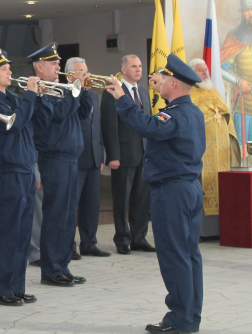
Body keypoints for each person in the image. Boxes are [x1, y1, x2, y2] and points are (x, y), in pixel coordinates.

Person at [106, 54, 205, 334]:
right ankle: (190, 315)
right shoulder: (192, 112)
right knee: (189, 255)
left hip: (172, 191)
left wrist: (123, 99)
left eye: (163, 78)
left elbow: (146, 126)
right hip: (188, 188)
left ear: (173, 83)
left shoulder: (174, 114)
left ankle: (179, 319)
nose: (158, 81)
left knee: (175, 256)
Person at [0, 49, 39, 306]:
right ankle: (0, 289)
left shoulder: (13, 97)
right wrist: (33, 94)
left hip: (24, 168)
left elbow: (32, 123)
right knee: (8, 232)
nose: (10, 72)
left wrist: (38, 96)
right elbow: (14, 124)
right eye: (4, 69)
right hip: (8, 171)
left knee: (23, 232)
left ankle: (17, 286)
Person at [30, 43, 90, 287]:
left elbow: (84, 112)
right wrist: (74, 91)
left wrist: (83, 89)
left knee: (67, 216)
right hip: (54, 158)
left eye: (58, 63)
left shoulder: (64, 88)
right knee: (55, 215)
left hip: (71, 158)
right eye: (53, 63)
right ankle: (51, 269)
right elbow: (58, 115)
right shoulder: (42, 90)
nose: (58, 67)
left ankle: (62, 265)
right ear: (39, 66)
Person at [100, 54, 155, 255]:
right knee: (122, 198)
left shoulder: (143, 91)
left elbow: (146, 121)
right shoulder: (113, 91)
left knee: (141, 198)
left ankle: (139, 238)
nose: (138, 70)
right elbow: (109, 125)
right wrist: (113, 155)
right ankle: (122, 238)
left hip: (143, 152)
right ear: (124, 70)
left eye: (140, 66)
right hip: (123, 154)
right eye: (134, 66)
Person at [189, 58, 240, 238]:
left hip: (222, 152)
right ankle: (204, 232)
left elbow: (225, 116)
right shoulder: (190, 94)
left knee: (223, 187)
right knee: (205, 186)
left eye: (206, 69)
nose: (205, 73)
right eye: (200, 70)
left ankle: (222, 230)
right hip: (204, 152)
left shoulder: (214, 91)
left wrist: (232, 140)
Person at [65, 58, 110, 258]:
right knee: (72, 203)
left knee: (92, 204)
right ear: (70, 75)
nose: (86, 74)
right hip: (75, 156)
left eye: (86, 70)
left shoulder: (92, 94)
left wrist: (100, 154)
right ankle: (68, 246)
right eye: (81, 71)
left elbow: (96, 126)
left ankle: (89, 242)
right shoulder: (66, 94)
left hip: (92, 156)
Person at [220, 0, 252, 160]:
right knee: (243, 153)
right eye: (247, 10)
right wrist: (239, 81)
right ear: (242, 13)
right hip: (244, 104)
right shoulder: (233, 36)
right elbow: (222, 67)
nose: (250, 14)